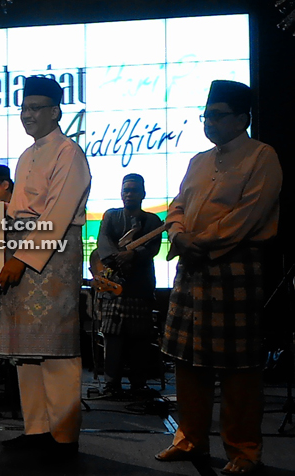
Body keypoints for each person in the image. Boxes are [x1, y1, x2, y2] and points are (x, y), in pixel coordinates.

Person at [155, 80, 282, 475]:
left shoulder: (262, 156)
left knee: (237, 368)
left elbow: (248, 216)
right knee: (187, 361)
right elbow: (176, 207)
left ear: (242, 118)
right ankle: (190, 439)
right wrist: (177, 235)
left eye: (217, 115)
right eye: (205, 115)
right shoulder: (198, 160)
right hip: (191, 269)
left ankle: (244, 450)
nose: (208, 122)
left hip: (234, 268)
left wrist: (201, 243)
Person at [0, 76, 91, 454]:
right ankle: (36, 430)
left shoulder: (69, 151)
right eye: (23, 108)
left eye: (35, 108)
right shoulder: (25, 155)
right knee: (25, 348)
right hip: (20, 250)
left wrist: (22, 258)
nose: (27, 115)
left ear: (56, 112)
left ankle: (63, 437)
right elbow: (22, 209)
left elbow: (58, 212)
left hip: (52, 253)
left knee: (57, 348)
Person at [95, 174, 162, 396]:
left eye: (134, 190)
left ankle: (138, 383)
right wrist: (118, 257)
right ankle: (111, 384)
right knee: (112, 338)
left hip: (139, 287)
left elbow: (153, 249)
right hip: (112, 285)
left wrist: (134, 256)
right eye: (126, 190)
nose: (129, 194)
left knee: (139, 339)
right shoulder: (111, 217)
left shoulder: (153, 222)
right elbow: (102, 242)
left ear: (143, 193)